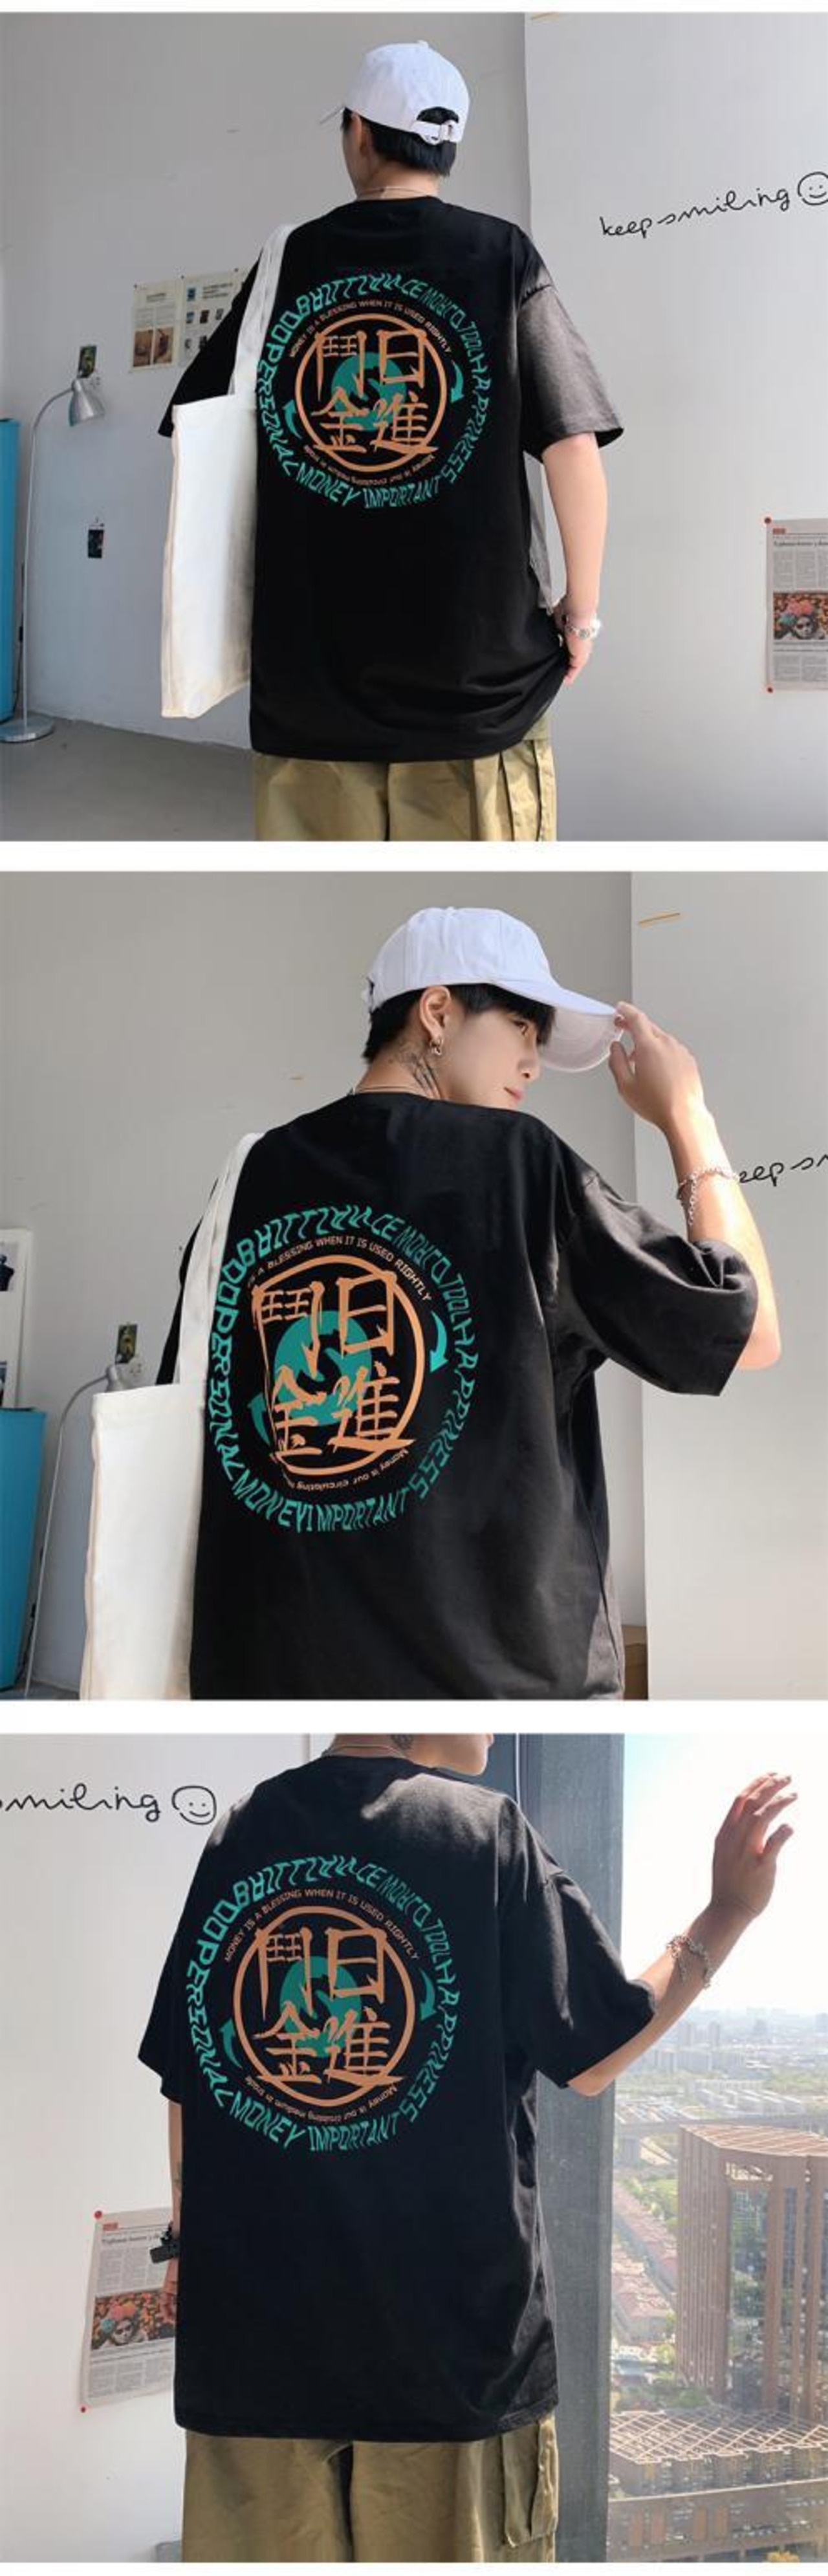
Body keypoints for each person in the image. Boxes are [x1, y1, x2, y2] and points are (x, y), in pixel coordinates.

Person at [138, 1734, 797, 2563]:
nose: (491, 1722)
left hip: (254, 2358)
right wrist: (727, 1911)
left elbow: (190, 2075)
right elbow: (594, 2055)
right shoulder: (484, 1835)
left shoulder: (241, 1830)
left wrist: (186, 2241)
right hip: (449, 2364)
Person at [156, 904, 779, 1701]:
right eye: (520, 1026)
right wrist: (688, 1116)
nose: (533, 1063)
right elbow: (746, 1330)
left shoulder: (251, 1174)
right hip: (493, 1678)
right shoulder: (519, 1166)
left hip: (269, 1672)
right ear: (438, 1011)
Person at [157, 39, 620, 844]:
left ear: (358, 133)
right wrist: (579, 614)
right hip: (475, 686)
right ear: (448, 147)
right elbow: (570, 447)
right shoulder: (501, 254)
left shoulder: (287, 261)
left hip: (310, 684)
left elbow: (198, 422)